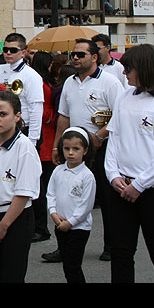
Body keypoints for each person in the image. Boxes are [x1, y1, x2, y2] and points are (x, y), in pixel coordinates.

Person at [53, 38, 122, 262]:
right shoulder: (70, 83)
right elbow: (63, 116)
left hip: (101, 147)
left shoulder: (110, 82)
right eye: (73, 54)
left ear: (94, 57)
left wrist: (98, 137)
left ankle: (111, 244)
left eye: (80, 54)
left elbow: (120, 115)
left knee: (106, 197)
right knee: (67, 196)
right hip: (74, 148)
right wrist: (57, 145)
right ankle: (64, 244)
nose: (75, 57)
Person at [104, 44, 154, 283]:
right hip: (121, 187)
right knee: (120, 253)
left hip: (152, 190)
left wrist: (139, 184)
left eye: (129, 68)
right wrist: (113, 175)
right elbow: (114, 137)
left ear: (145, 69)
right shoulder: (125, 96)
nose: (124, 72)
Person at [0, 90, 42, 283]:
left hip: (15, 219)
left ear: (17, 116)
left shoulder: (24, 147)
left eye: (3, 114)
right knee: (1, 275)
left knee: (13, 276)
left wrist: (3, 226)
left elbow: (23, 193)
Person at [46, 126, 96, 283]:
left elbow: (85, 205)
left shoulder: (87, 176)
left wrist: (71, 222)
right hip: (60, 225)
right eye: (67, 148)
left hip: (78, 228)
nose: (71, 153)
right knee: (67, 265)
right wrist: (53, 213)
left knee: (72, 265)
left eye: (76, 148)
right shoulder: (58, 171)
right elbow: (51, 193)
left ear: (85, 151)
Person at [0, 33, 44, 147]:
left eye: (13, 50)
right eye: (5, 50)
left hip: (23, 130)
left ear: (23, 52)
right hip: (1, 130)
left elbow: (36, 108)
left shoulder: (31, 76)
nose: (8, 53)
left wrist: (32, 140)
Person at [30, 51, 58, 243]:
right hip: (45, 135)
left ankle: (40, 226)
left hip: (47, 134)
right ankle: (39, 226)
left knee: (40, 186)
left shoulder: (41, 81)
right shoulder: (40, 81)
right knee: (39, 186)